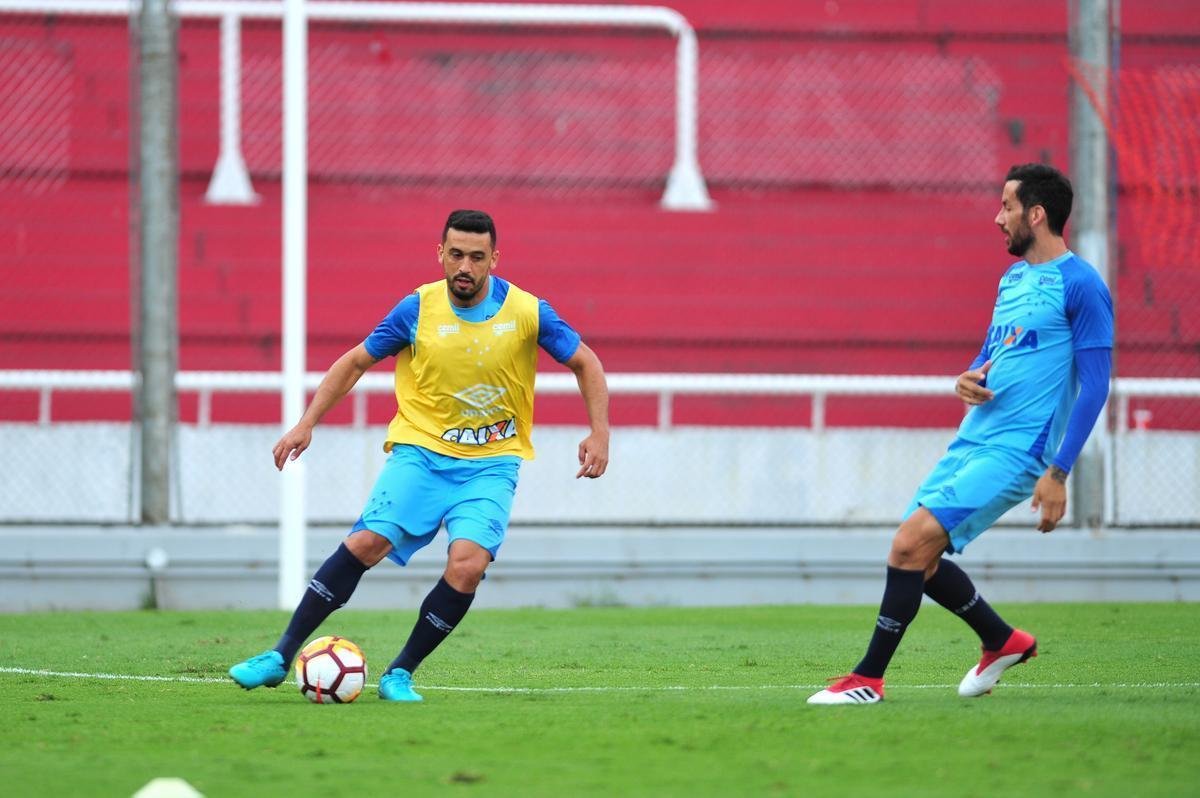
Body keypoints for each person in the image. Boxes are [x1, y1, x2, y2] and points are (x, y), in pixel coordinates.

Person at [229, 209, 610, 701]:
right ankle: (280, 655)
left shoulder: (527, 312)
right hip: (421, 455)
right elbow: (355, 361)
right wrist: (307, 423)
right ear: (440, 254)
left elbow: (586, 362)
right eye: (456, 255)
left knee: (468, 566)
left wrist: (599, 433)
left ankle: (400, 673)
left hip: (492, 465)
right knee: (368, 542)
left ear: (495, 258)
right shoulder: (416, 309)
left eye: (477, 256)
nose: (465, 266)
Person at [808, 163, 1113, 705]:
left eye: (1007, 207)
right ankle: (1002, 640)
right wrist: (969, 376)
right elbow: (995, 353)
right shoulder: (1013, 279)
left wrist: (1059, 472)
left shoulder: (1082, 285)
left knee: (908, 545)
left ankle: (867, 680)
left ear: (1036, 215)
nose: (998, 218)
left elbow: (1094, 387)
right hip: (974, 437)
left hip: (1020, 451)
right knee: (919, 558)